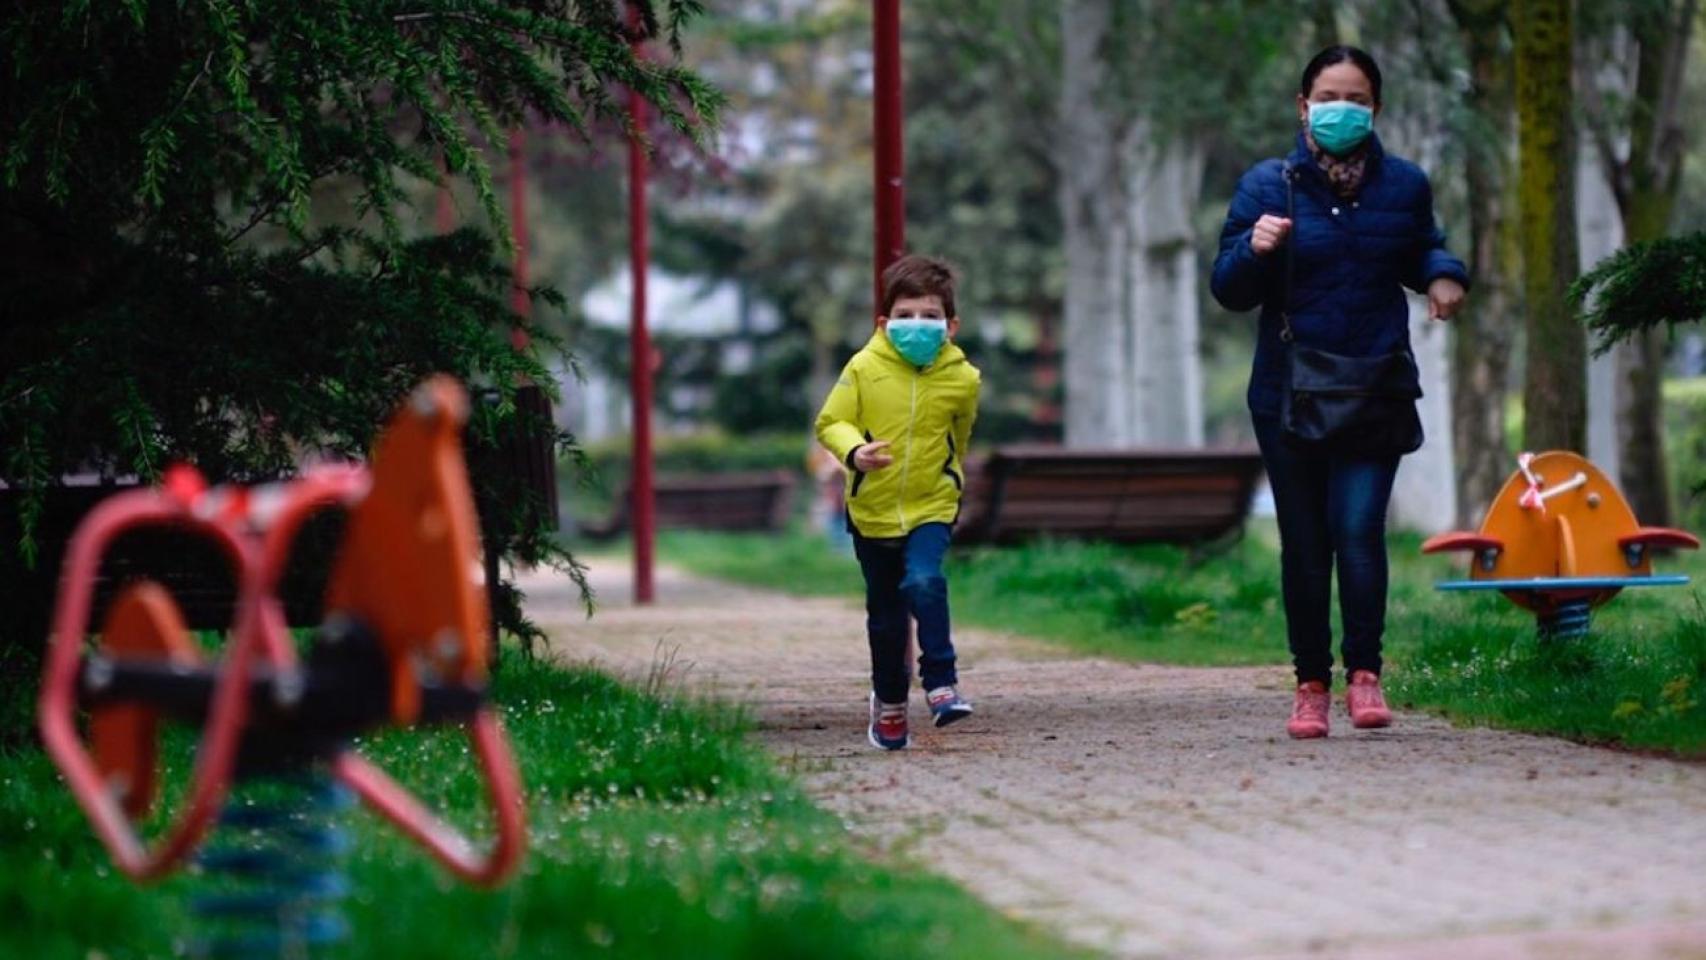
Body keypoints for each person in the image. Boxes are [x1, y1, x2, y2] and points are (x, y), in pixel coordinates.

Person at [1210, 45, 1469, 739]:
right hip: (1289, 391)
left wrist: (1445, 277)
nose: (1342, 109)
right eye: (1329, 96)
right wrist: (1254, 249)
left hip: (1374, 384)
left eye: (1356, 97)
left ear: (1375, 107)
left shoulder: (1405, 183)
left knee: (1358, 532)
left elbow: (1421, 245)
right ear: (1303, 105)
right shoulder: (1268, 186)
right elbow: (1229, 290)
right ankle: (1310, 683)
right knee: (1305, 542)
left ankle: (1365, 675)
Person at [814, 254, 980, 750]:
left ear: (950, 326)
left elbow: (961, 435)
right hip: (873, 510)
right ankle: (888, 701)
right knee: (886, 617)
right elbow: (830, 421)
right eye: (905, 316)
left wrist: (950, 478)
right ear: (884, 323)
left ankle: (941, 685)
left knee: (926, 580)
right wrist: (854, 451)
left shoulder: (963, 378)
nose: (917, 325)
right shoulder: (863, 367)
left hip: (932, 503)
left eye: (929, 316)